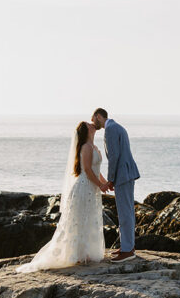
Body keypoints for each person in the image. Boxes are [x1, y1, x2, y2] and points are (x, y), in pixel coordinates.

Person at [16, 121, 109, 272]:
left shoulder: (93, 147)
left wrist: (105, 183)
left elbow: (96, 169)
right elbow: (86, 169)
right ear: (86, 131)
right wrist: (100, 185)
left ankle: (86, 253)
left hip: (92, 188)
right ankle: (77, 254)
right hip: (84, 187)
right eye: (89, 125)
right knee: (80, 219)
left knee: (90, 217)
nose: (92, 124)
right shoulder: (85, 147)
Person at [91, 108, 140, 262]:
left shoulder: (110, 129)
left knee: (125, 212)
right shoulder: (117, 126)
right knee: (127, 211)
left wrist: (110, 179)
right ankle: (127, 246)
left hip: (123, 175)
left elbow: (114, 157)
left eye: (93, 119)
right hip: (127, 173)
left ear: (98, 116)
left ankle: (127, 251)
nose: (93, 123)